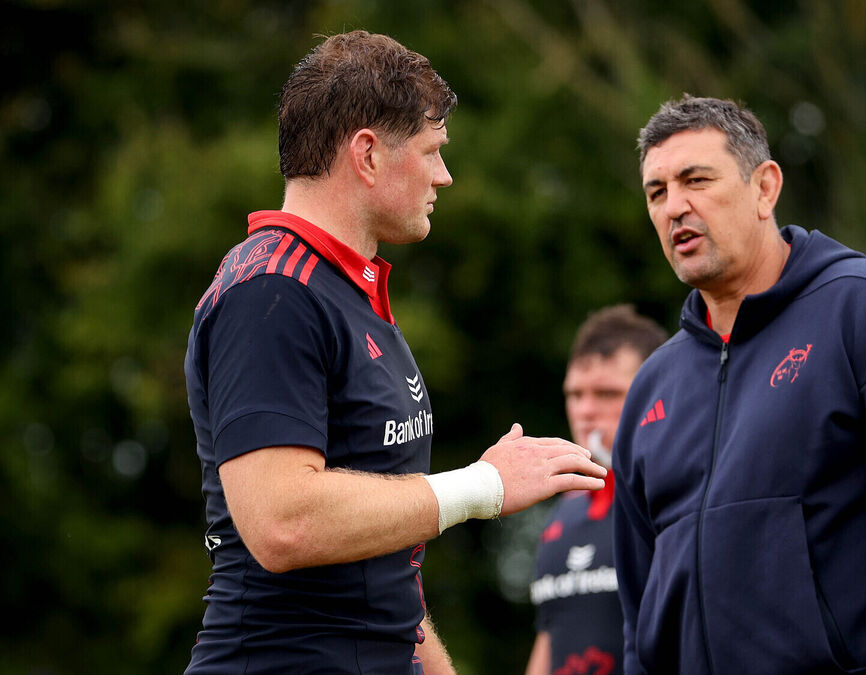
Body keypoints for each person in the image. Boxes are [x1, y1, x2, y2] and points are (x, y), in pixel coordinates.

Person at [183, 31, 606, 675]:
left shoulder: (350, 292)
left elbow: (385, 575)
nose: (445, 175)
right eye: (432, 151)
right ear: (368, 154)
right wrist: (485, 485)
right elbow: (281, 523)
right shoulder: (272, 290)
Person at [611, 95, 866, 674]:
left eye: (697, 180)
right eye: (656, 192)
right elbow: (639, 614)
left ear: (765, 188)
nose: (675, 207)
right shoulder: (651, 389)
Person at [524, 306, 668, 675]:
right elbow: (549, 637)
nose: (586, 411)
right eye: (575, 394)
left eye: (606, 393)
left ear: (657, 393)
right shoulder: (563, 514)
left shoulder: (673, 502)